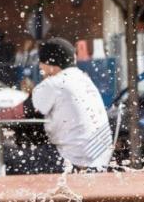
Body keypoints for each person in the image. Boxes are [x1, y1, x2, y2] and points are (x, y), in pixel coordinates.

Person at [6, 37, 112, 173]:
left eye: (41, 63)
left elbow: (19, 112)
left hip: (74, 163)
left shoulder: (55, 83)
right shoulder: (84, 80)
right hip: (100, 162)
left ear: (50, 63)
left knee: (6, 154)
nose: (40, 67)